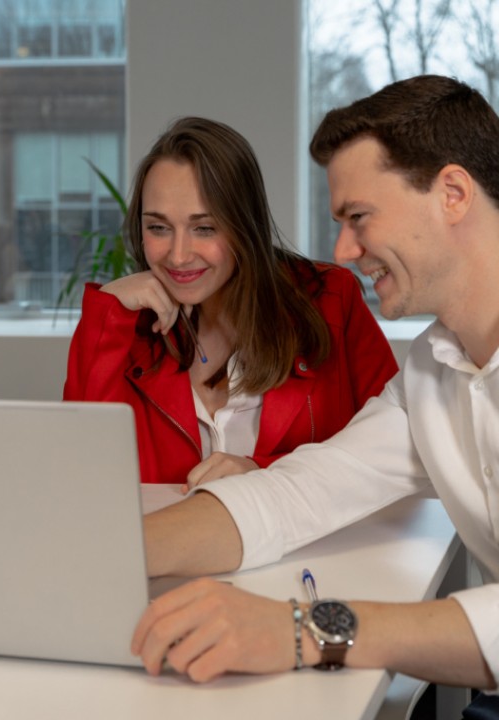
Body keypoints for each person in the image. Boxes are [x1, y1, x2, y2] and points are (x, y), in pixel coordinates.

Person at [131, 75, 499, 714]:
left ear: (452, 193)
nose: (343, 251)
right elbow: (299, 491)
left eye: (359, 218)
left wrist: (302, 628)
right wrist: (96, 551)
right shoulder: (431, 375)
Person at [63, 117, 396, 484]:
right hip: (166, 541)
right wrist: (106, 314)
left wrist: (264, 474)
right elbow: (81, 473)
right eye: (158, 227)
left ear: (243, 227)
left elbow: (390, 450)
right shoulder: (124, 325)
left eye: (204, 228)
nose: (177, 256)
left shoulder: (332, 300)